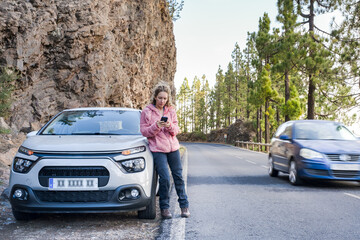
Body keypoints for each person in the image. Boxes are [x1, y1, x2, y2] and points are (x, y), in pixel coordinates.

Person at [140, 82, 190, 219]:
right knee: (165, 179)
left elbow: (176, 130)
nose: (162, 101)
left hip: (173, 148)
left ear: (168, 99)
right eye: (160, 98)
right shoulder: (147, 111)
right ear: (155, 97)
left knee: (178, 177)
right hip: (158, 149)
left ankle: (184, 206)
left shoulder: (171, 111)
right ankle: (164, 208)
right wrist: (156, 126)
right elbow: (144, 131)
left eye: (165, 98)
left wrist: (169, 126)